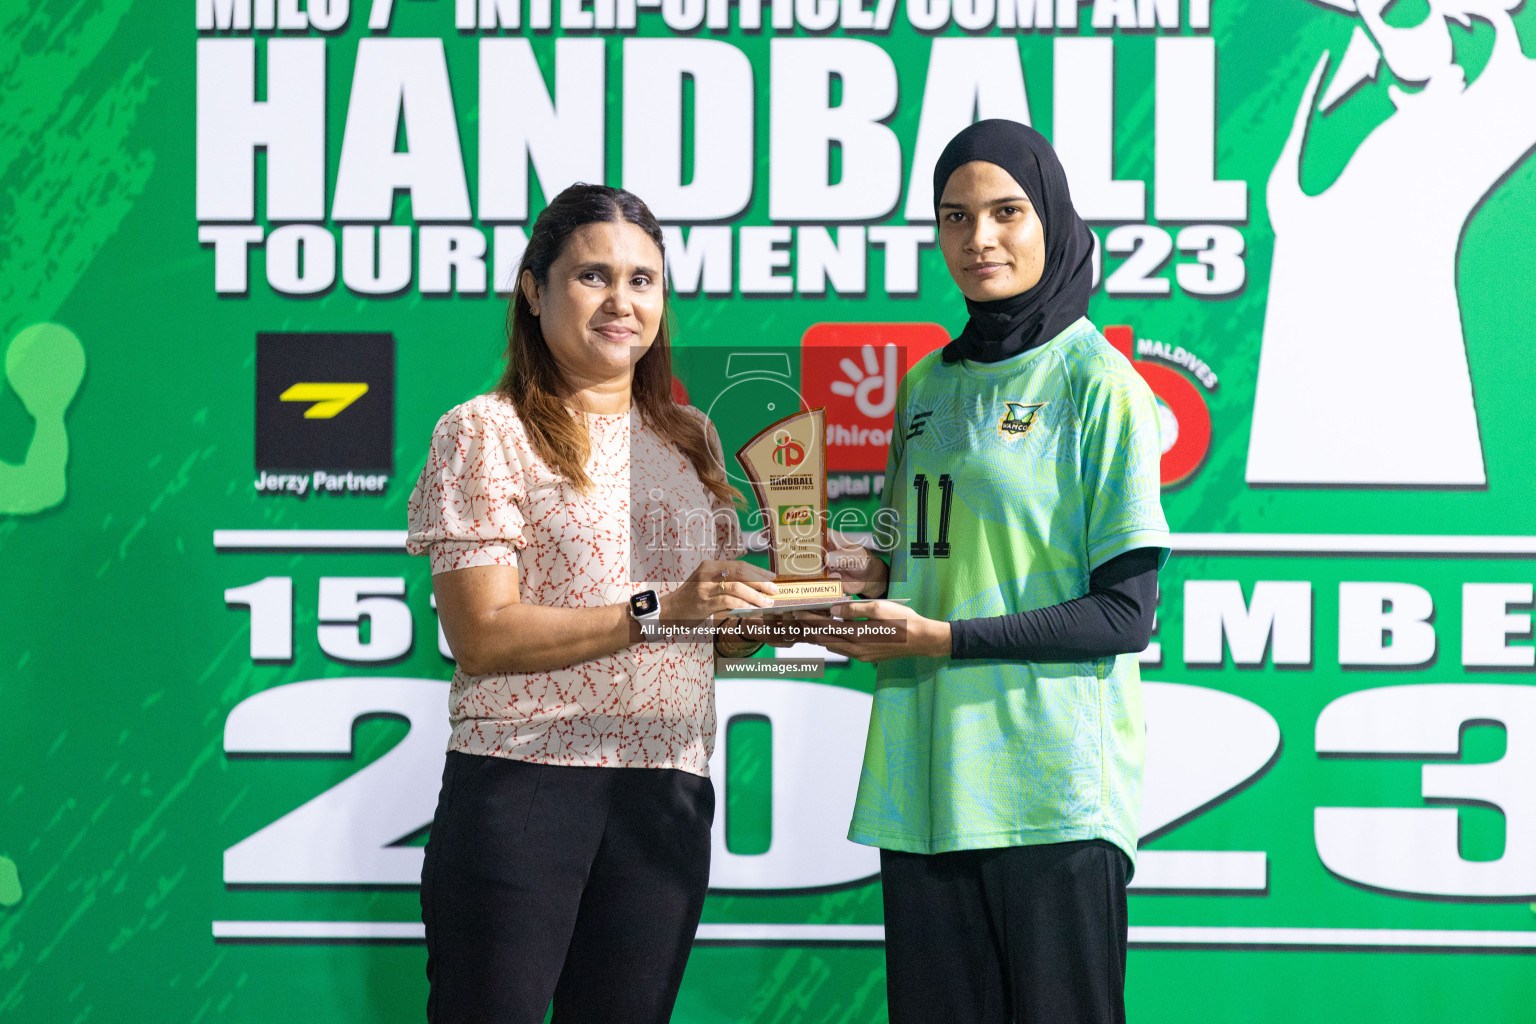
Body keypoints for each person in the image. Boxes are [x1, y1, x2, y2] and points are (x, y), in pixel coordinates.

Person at [798, 120, 1170, 1024]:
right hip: (926, 787)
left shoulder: (1099, 383)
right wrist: (838, 587)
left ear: (1051, 218)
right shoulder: (927, 385)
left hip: (1050, 796)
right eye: (955, 217)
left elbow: (1124, 617)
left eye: (1007, 212)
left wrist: (943, 638)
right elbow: (907, 567)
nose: (979, 239)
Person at [406, 183, 775, 1024]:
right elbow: (482, 635)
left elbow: (711, 635)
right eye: (593, 276)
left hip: (668, 791)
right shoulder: (485, 431)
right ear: (534, 290)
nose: (623, 302)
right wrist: (659, 610)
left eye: (644, 281)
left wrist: (782, 611)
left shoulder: (691, 438)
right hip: (527, 784)